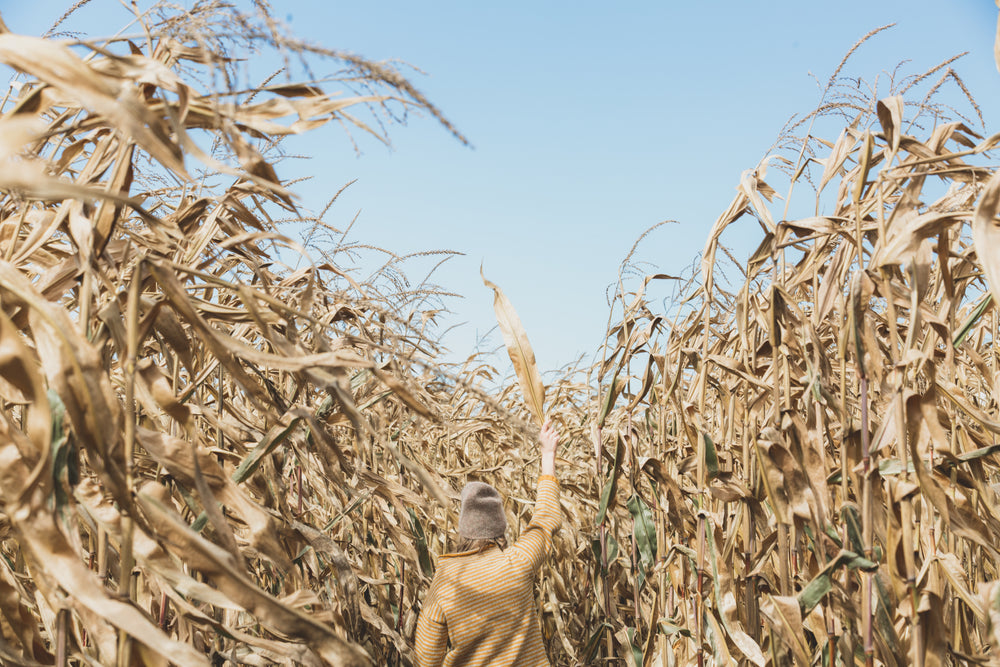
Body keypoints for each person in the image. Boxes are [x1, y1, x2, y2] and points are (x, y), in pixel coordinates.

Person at [414, 420, 562, 667]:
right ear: (500, 526)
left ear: (463, 529)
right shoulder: (518, 561)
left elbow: (426, 658)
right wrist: (548, 455)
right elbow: (546, 518)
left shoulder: (444, 582)